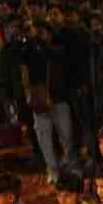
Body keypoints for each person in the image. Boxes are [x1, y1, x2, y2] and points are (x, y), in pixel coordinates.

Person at [23, 19, 74, 183]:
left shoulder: (58, 50)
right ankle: (52, 169)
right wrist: (28, 93)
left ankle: (68, 166)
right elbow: (23, 71)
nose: (39, 36)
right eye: (36, 31)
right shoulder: (28, 50)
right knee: (44, 137)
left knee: (66, 135)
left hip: (60, 99)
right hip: (40, 100)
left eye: (42, 32)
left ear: (50, 34)